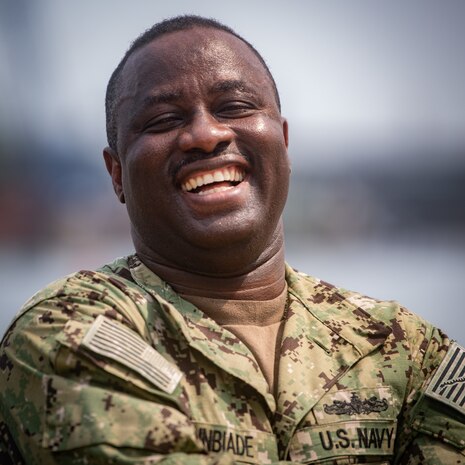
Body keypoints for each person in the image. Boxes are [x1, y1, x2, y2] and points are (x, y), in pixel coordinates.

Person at [0, 15, 464, 465]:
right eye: (163, 120)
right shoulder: (71, 332)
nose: (205, 134)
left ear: (283, 142)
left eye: (235, 107)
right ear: (117, 173)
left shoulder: (402, 346)